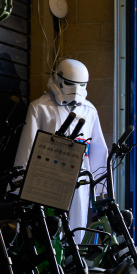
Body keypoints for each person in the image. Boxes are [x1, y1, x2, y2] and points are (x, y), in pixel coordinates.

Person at [13, 59, 107, 242]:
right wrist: (20, 184)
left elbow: (98, 150)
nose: (76, 90)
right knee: (50, 228)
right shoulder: (40, 107)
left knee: (77, 227)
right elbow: (27, 147)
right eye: (70, 83)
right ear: (57, 79)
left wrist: (100, 187)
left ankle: (74, 257)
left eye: (81, 85)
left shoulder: (89, 111)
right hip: (47, 176)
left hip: (80, 178)